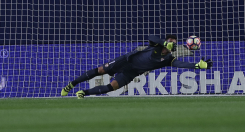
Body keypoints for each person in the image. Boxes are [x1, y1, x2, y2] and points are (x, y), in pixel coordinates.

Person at [61, 35, 213, 98]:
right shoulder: (156, 45)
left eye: (174, 42)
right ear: (166, 41)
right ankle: (72, 84)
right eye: (170, 41)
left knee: (112, 87)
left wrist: (197, 66)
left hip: (132, 72)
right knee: (100, 70)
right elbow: (151, 37)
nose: (172, 43)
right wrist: (163, 42)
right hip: (126, 61)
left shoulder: (168, 58)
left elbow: (180, 64)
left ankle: (83, 93)